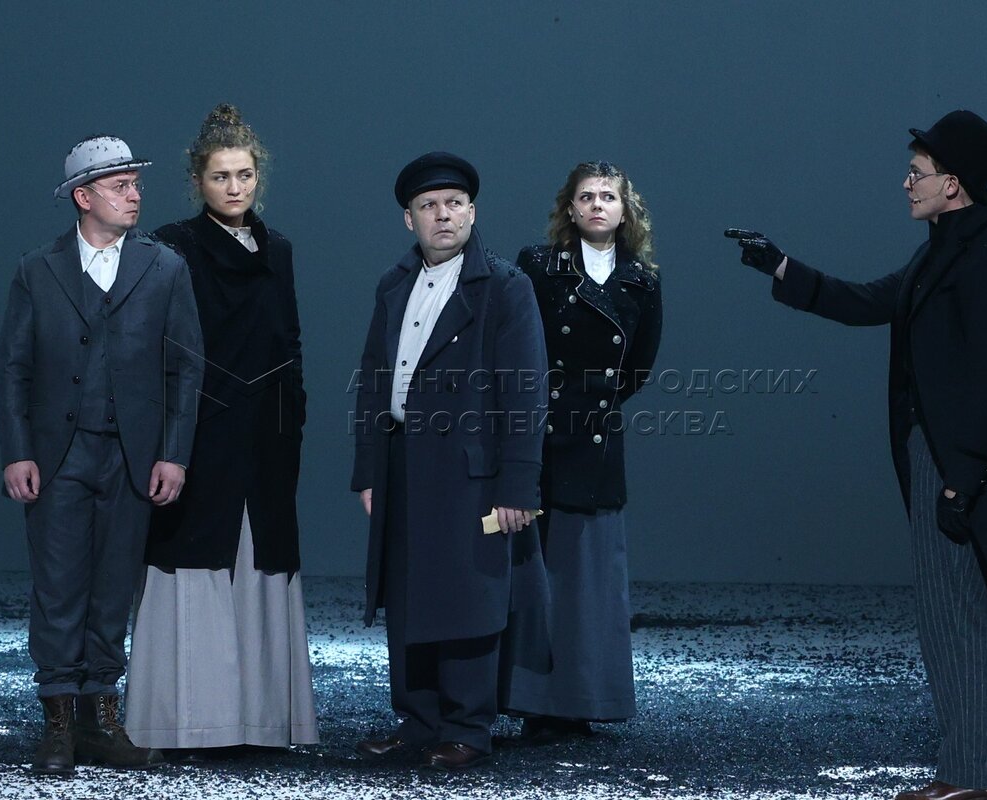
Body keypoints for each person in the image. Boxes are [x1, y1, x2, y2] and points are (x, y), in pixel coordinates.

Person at [727, 109, 987, 800]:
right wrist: (780, 265)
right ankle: (985, 772)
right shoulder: (944, 252)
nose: (906, 183)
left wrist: (962, 481)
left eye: (917, 174)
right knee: (948, 616)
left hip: (959, 466)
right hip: (940, 457)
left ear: (953, 184)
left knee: (956, 616)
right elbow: (868, 301)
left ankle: (981, 777)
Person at [0, 136, 202, 775]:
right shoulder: (39, 268)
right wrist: (17, 452)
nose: (134, 196)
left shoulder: (164, 268)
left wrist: (174, 454)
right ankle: (59, 721)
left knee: (113, 588)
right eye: (120, 186)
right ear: (83, 198)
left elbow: (185, 368)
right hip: (58, 455)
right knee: (58, 587)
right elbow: (13, 367)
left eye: (135, 184)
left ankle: (101, 718)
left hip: (131, 456)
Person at [125, 104, 318, 752]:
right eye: (220, 176)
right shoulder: (172, 246)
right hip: (198, 435)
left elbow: (288, 341)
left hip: (266, 438)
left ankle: (258, 721)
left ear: (258, 175)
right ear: (197, 182)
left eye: (244, 175)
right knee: (192, 560)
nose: (235, 188)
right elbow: (157, 344)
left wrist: (292, 417)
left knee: (260, 561)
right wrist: (170, 436)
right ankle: (185, 721)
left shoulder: (277, 249)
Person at [350, 152, 548, 770]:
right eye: (429, 205)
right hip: (403, 463)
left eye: (454, 204)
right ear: (409, 218)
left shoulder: (505, 286)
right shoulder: (393, 284)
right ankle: (419, 721)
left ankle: (467, 727)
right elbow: (373, 382)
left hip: (472, 471)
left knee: (468, 596)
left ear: (472, 212)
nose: (443, 215)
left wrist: (518, 485)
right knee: (410, 593)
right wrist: (368, 472)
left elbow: (526, 391)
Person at [503, 161, 662, 741]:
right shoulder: (537, 266)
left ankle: (582, 701)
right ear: (570, 208)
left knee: (589, 579)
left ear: (625, 209)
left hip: (597, 440)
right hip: (540, 435)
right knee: (538, 573)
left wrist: (594, 401)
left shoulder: (643, 280)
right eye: (587, 196)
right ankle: (535, 705)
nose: (598, 204)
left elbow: (638, 366)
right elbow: (518, 345)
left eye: (608, 196)